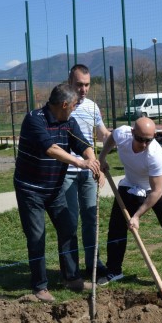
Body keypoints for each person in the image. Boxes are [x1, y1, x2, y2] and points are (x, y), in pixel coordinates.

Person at [14, 83, 101, 303]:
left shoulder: (68, 121)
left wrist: (91, 159)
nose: (73, 110)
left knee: (68, 229)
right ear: (64, 104)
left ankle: (71, 278)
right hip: (30, 190)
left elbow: (82, 143)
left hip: (54, 189)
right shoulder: (34, 120)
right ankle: (40, 288)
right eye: (72, 106)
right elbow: (51, 149)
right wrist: (80, 163)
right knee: (36, 236)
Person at [97, 117, 162, 291]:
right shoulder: (122, 134)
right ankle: (114, 270)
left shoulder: (154, 153)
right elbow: (110, 138)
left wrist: (137, 216)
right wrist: (101, 158)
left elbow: (156, 191)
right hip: (130, 185)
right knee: (116, 228)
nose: (144, 144)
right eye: (140, 139)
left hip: (156, 189)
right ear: (132, 133)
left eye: (149, 140)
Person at [64, 64, 110, 283]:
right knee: (69, 220)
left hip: (90, 171)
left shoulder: (92, 107)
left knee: (91, 217)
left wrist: (123, 138)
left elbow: (102, 134)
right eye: (79, 84)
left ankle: (94, 264)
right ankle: (71, 270)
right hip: (67, 171)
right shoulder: (63, 105)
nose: (83, 89)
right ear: (70, 82)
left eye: (87, 85)